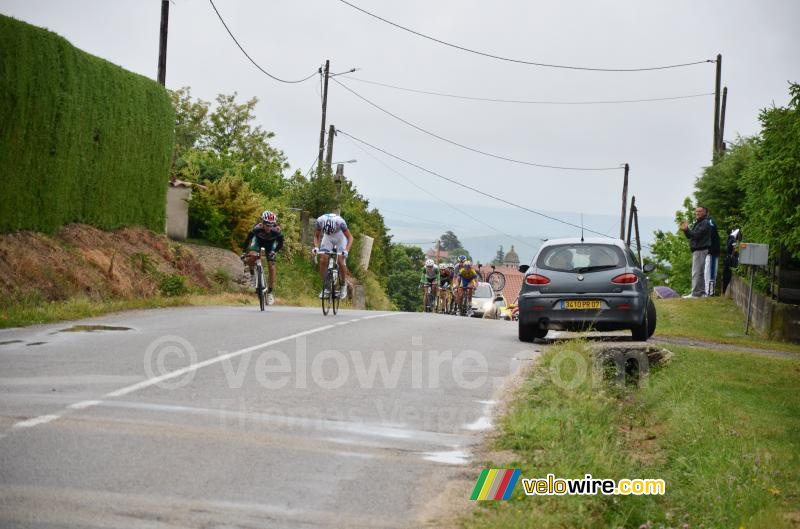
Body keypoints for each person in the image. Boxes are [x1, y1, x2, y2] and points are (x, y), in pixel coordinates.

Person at [241, 210, 284, 305]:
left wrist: (274, 251)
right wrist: (244, 252)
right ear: (263, 223)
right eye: (267, 225)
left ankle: (270, 293)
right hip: (257, 243)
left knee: (272, 266)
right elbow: (247, 240)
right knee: (251, 256)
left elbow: (280, 244)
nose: (269, 227)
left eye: (271, 225)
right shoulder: (257, 229)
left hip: (270, 245)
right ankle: (252, 275)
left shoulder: (276, 231)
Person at [680, 205, 719, 298]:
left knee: (696, 272)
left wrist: (686, 229)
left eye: (700, 211)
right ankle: (700, 292)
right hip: (700, 250)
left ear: (705, 212)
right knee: (700, 272)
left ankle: (695, 293)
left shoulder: (705, 223)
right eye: (696, 211)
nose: (697, 213)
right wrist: (686, 231)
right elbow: (691, 236)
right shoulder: (699, 222)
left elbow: (695, 235)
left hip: (701, 249)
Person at [313, 213, 354, 299]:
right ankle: (326, 287)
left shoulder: (340, 222)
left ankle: (343, 285)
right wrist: (316, 247)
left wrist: (346, 250)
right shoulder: (320, 221)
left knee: (340, 261)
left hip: (340, 237)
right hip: (327, 237)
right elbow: (316, 236)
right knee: (323, 259)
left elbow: (350, 237)